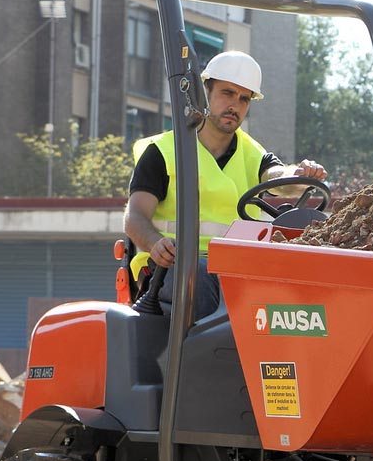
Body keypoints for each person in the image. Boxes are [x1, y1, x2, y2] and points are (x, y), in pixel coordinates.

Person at [123, 50, 325, 318]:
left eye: (244, 99)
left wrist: (299, 175)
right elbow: (135, 216)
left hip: (234, 267)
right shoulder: (163, 152)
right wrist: (155, 243)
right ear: (205, 92)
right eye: (227, 93)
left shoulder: (252, 153)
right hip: (171, 268)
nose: (235, 105)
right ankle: (202, 359)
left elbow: (276, 177)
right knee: (202, 277)